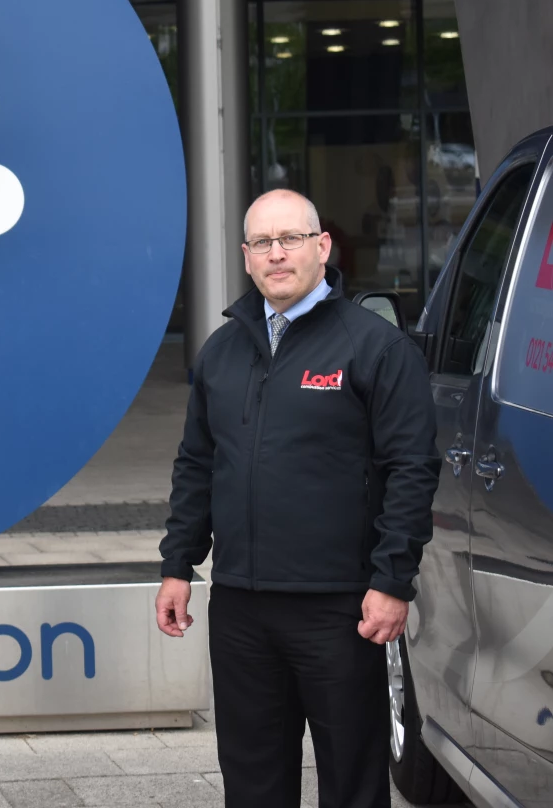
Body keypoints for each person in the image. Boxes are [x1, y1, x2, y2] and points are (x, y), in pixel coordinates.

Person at [156, 188, 438, 808]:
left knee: (353, 780)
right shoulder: (222, 351)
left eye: (290, 239)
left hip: (339, 609)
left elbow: (411, 471)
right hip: (240, 607)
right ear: (246, 255)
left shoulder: (377, 348)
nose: (276, 253)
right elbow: (197, 464)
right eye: (262, 242)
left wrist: (392, 581)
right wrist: (178, 563)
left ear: (322, 247)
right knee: (252, 781)